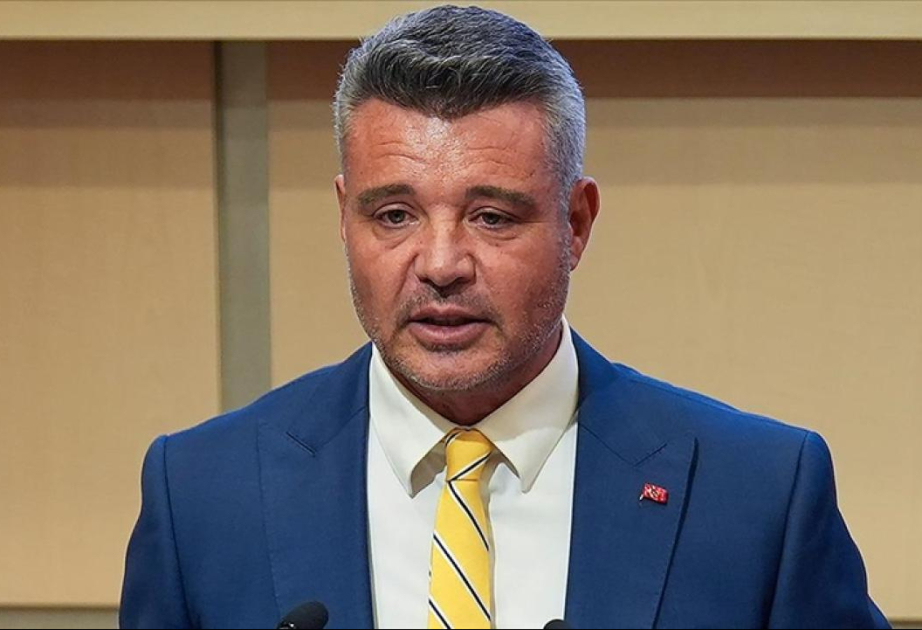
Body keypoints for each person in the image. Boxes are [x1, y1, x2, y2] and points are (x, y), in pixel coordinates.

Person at [120, 6, 889, 629]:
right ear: (344, 218)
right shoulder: (203, 495)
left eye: (491, 217)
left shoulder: (758, 494)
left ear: (576, 224)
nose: (440, 264)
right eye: (394, 215)